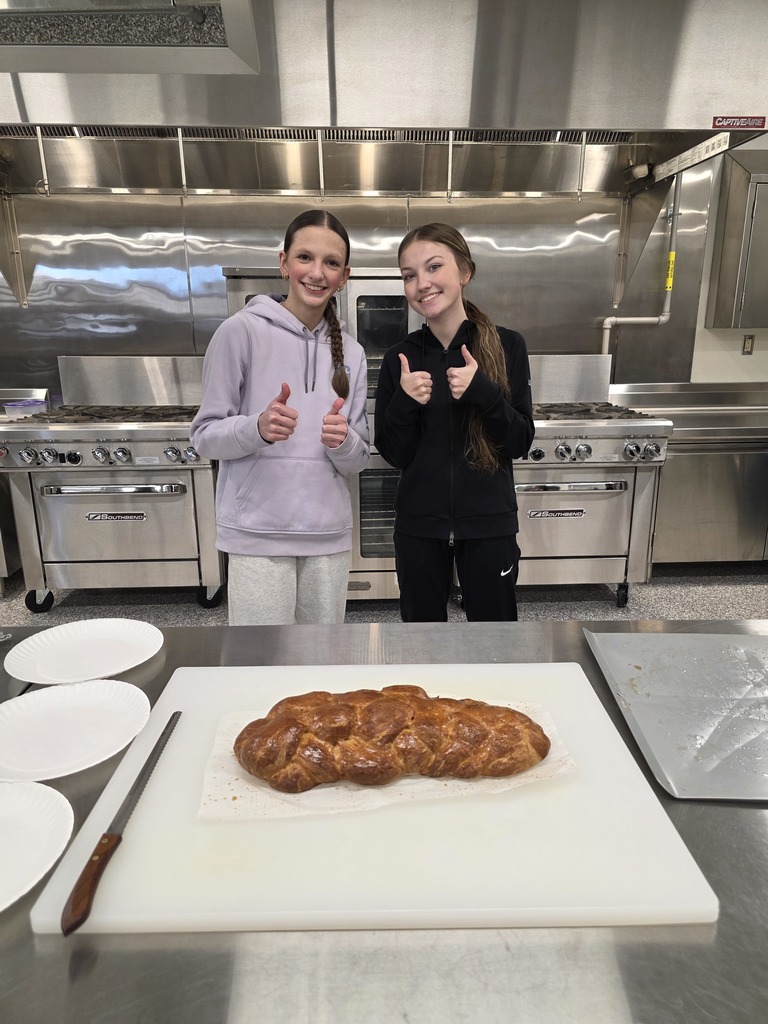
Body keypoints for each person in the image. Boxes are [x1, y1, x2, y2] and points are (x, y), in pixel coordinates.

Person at [191, 209, 369, 625]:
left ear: (344, 276)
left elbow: (358, 459)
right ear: (283, 263)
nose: (317, 273)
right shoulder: (240, 332)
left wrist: (343, 442)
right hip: (256, 535)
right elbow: (204, 436)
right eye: (305, 257)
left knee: (322, 668)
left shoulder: (354, 354)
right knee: (260, 664)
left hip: (327, 536)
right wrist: (256, 428)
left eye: (331, 263)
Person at [374, 223, 534, 622]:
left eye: (433, 267)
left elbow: (520, 441)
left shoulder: (508, 345)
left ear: (464, 272)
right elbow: (393, 453)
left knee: (495, 640)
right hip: (418, 528)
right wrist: (405, 405)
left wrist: (484, 391)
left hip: (489, 524)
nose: (421, 284)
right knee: (421, 641)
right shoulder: (399, 359)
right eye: (409, 275)